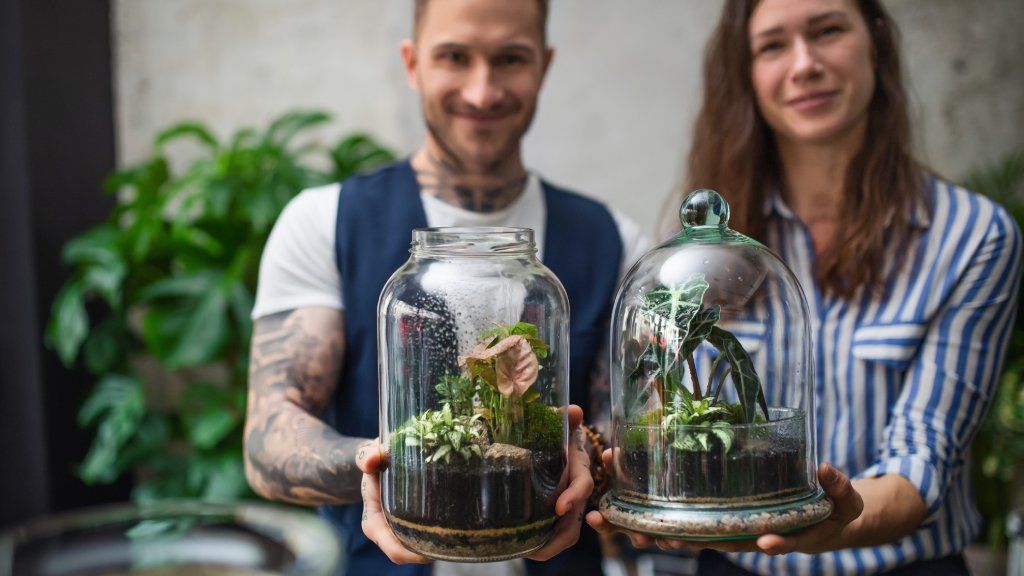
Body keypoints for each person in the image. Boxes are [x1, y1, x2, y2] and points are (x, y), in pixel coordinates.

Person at [587, 0, 1022, 574]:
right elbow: (655, 406)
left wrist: (832, 521)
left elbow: (926, 458)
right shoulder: (699, 259)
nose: (804, 64)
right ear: (744, 73)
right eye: (772, 45)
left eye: (828, 31)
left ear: (877, 42)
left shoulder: (971, 237)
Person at [243, 0, 649, 575]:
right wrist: (387, 465)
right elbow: (268, 440)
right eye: (454, 57)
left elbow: (635, 429)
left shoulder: (613, 239)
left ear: (544, 65)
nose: (482, 92)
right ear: (412, 64)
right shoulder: (323, 223)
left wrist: (594, 459)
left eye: (510, 59)